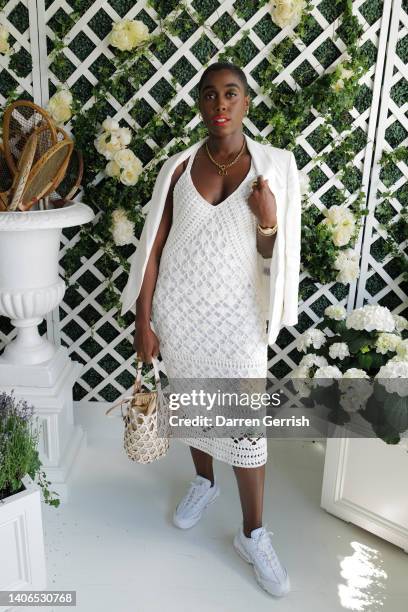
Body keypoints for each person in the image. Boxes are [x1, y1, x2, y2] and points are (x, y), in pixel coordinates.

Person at [121, 61, 302, 597]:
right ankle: (203, 482)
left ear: (247, 101)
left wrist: (267, 218)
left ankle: (254, 533)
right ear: (200, 104)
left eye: (231, 94)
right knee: (192, 410)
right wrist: (144, 318)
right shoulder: (177, 168)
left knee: (248, 433)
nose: (220, 104)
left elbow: (277, 256)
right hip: (179, 314)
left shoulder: (276, 168)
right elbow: (153, 247)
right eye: (209, 95)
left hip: (238, 317)